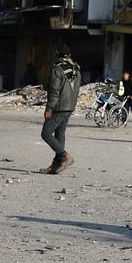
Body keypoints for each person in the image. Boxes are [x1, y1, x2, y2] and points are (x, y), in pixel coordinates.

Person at [41, 44, 82, 174]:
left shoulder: (57, 69)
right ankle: (56, 165)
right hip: (70, 106)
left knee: (46, 133)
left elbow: (54, 91)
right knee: (60, 134)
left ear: (57, 55)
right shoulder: (77, 68)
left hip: (59, 107)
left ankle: (65, 156)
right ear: (69, 55)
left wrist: (49, 108)